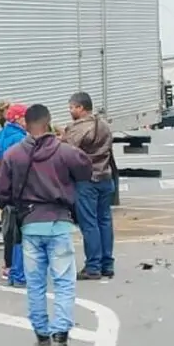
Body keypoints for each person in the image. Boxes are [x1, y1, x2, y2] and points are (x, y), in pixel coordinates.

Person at [0, 104, 92, 346]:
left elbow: (1, 193)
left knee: (35, 284)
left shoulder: (13, 155)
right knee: (63, 282)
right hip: (59, 223)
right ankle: (60, 338)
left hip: (29, 225)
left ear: (25, 124)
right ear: (48, 122)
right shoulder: (64, 151)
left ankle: (42, 337)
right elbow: (86, 169)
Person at [60, 91, 116, 280]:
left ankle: (93, 267)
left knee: (89, 224)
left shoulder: (78, 128)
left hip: (87, 180)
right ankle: (107, 264)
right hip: (105, 177)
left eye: (71, 107)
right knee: (104, 221)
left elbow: (66, 151)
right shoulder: (104, 125)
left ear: (80, 107)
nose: (70, 111)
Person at [0, 102, 28, 285]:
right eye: (25, 117)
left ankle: (9, 268)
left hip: (5, 185)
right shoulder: (19, 138)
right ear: (18, 118)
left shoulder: (5, 132)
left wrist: (2, 159)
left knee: (10, 229)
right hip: (18, 187)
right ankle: (16, 271)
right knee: (19, 232)